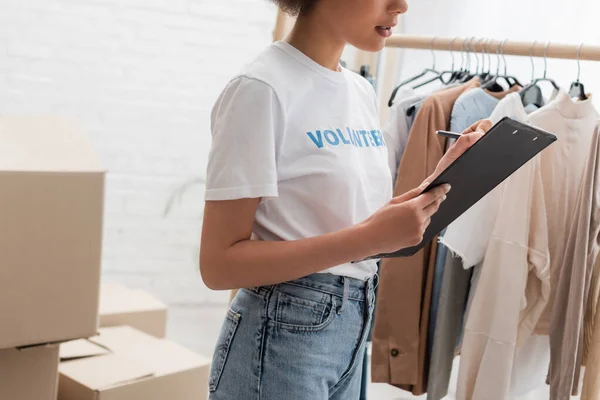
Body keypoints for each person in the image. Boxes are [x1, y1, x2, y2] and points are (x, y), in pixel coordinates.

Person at [200, 0, 492, 398]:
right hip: (283, 331)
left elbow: (359, 227)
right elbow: (218, 265)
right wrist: (368, 239)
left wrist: (443, 174)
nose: (401, 6)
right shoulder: (261, 89)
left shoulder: (358, 89)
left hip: (353, 322)